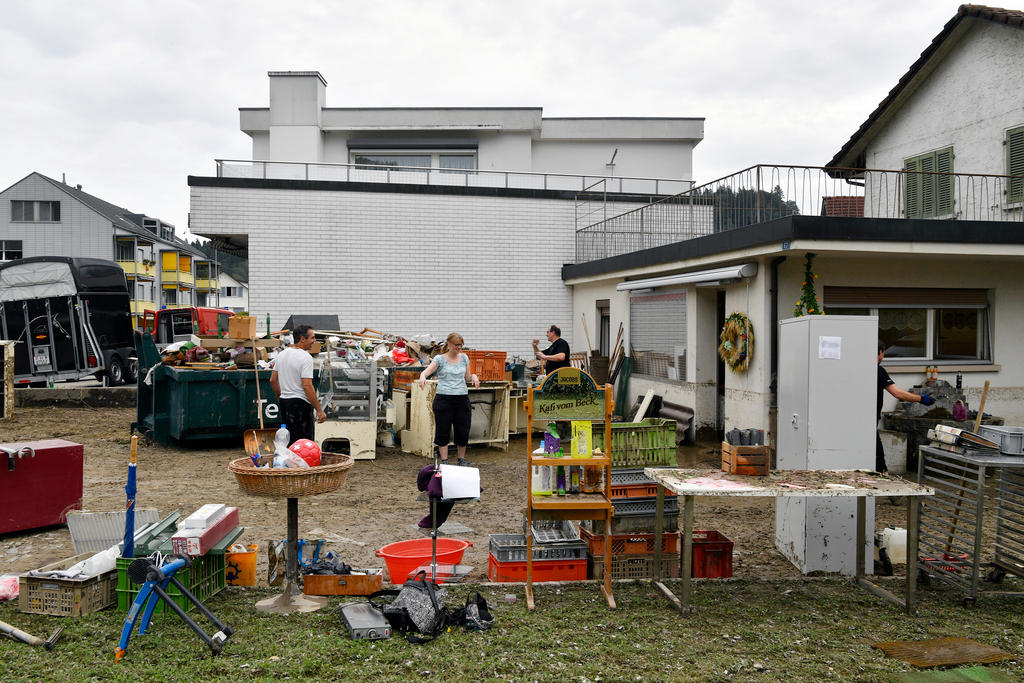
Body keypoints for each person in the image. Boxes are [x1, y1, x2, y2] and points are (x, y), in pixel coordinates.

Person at [417, 332, 480, 466]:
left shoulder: (464, 358)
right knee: (443, 430)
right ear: (449, 344)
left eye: (461, 345)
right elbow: (426, 372)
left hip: (462, 399)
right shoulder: (440, 359)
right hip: (444, 399)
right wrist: (422, 377)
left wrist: (474, 377)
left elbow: (467, 377)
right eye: (456, 345)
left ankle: (461, 459)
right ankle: (444, 461)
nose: (459, 348)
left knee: (463, 430)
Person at [877, 341, 933, 473]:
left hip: (856, 419)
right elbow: (897, 393)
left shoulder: (858, 368)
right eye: (883, 354)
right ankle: (882, 479)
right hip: (868, 421)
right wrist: (921, 399)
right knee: (877, 457)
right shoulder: (878, 370)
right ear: (880, 352)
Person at [270, 323, 327, 445]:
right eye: (312, 337)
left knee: (288, 442)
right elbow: (307, 386)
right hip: (300, 405)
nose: (314, 341)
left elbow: (273, 380)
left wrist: (280, 396)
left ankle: (289, 464)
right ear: (302, 339)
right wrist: (319, 410)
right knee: (303, 444)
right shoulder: (305, 357)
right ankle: (302, 464)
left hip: (285, 404)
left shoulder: (282, 354)